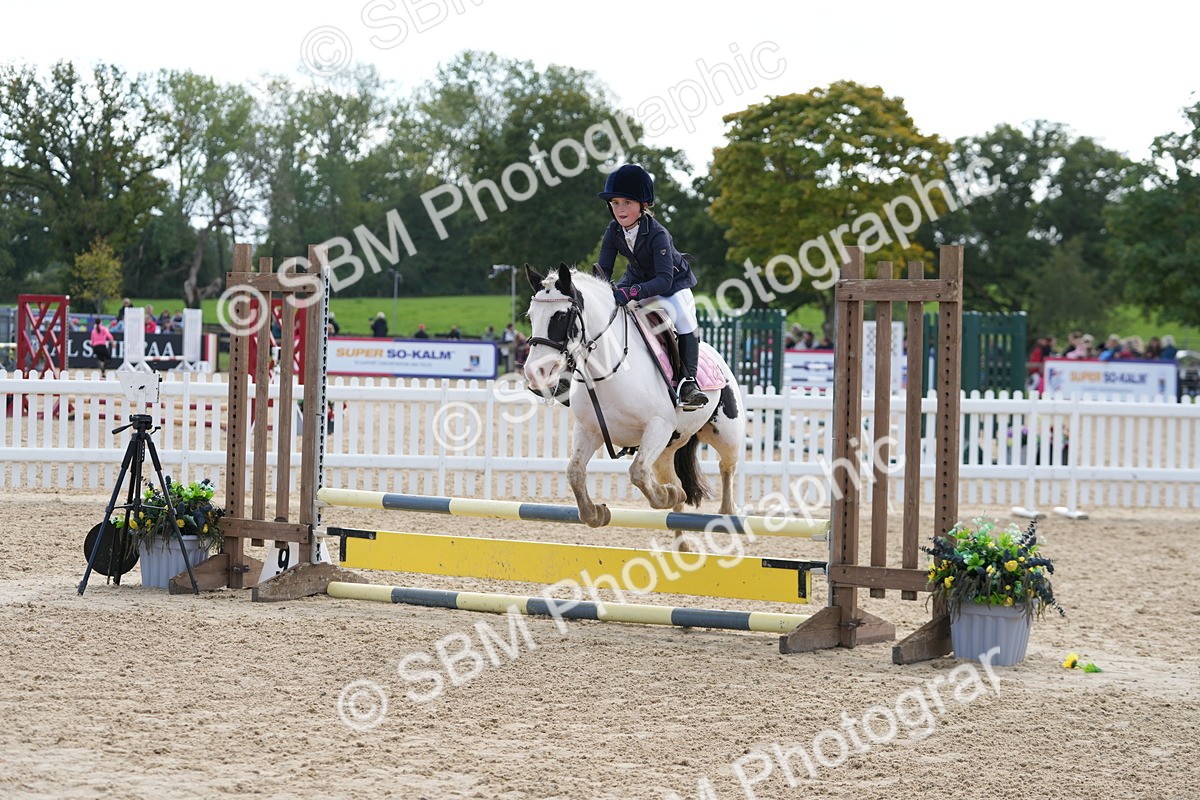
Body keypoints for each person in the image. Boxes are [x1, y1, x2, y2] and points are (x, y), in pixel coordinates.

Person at [596, 164, 708, 410]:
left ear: (643, 204)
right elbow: (603, 270)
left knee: (684, 319)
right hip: (636, 279)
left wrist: (630, 293)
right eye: (615, 202)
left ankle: (689, 384)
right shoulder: (613, 230)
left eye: (627, 202)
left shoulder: (658, 234)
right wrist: (597, 292)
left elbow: (663, 280)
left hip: (672, 285)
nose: (620, 209)